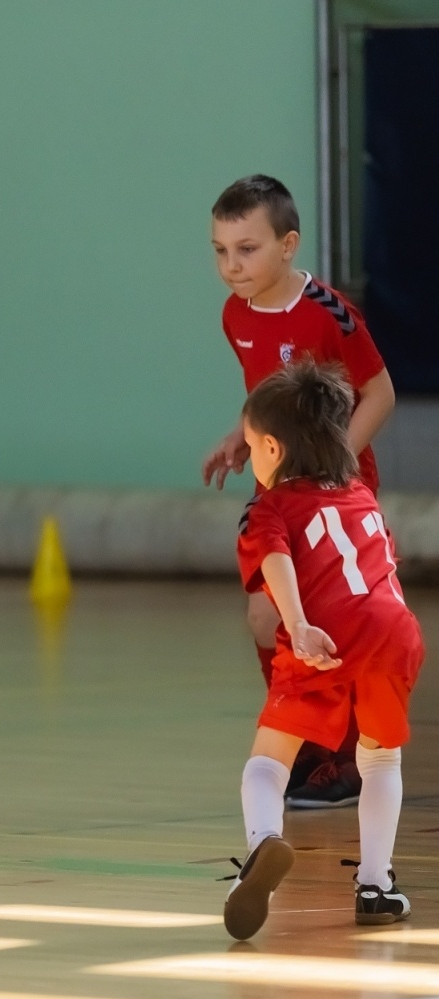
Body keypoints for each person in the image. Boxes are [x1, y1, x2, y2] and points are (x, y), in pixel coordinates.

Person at [204, 174, 397, 809]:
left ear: (288, 245)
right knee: (268, 617)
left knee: (330, 619)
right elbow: (270, 398)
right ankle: (308, 744)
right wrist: (242, 433)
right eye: (221, 250)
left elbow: (380, 393)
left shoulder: (330, 312)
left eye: (247, 249)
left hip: (336, 498)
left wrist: (333, 465)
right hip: (280, 494)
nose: (233, 266)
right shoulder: (236, 316)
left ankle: (342, 758)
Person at [222, 359, 422, 940]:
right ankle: (377, 887)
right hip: (394, 630)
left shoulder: (270, 507)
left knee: (267, 764)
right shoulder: (361, 494)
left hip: (328, 632)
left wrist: (300, 622)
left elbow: (276, 557)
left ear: (273, 450)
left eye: (253, 446)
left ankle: (262, 847)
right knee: (380, 758)